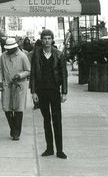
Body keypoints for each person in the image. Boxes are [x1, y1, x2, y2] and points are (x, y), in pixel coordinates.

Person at [30, 29, 68, 159]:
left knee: (57, 120)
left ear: (52, 40)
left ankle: (60, 150)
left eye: (49, 38)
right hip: (41, 91)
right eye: (44, 38)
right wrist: (33, 91)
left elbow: (64, 74)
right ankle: (49, 148)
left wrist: (64, 92)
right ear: (41, 40)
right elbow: (33, 74)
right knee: (46, 120)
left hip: (54, 91)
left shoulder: (58, 54)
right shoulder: (36, 55)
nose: (47, 41)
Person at [0, 37, 31, 140]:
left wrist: (20, 75)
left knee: (18, 109)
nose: (8, 51)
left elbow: (28, 70)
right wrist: (0, 81)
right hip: (7, 85)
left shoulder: (22, 56)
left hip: (19, 86)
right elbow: (0, 70)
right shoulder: (3, 56)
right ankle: (12, 128)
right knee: (6, 108)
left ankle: (17, 132)